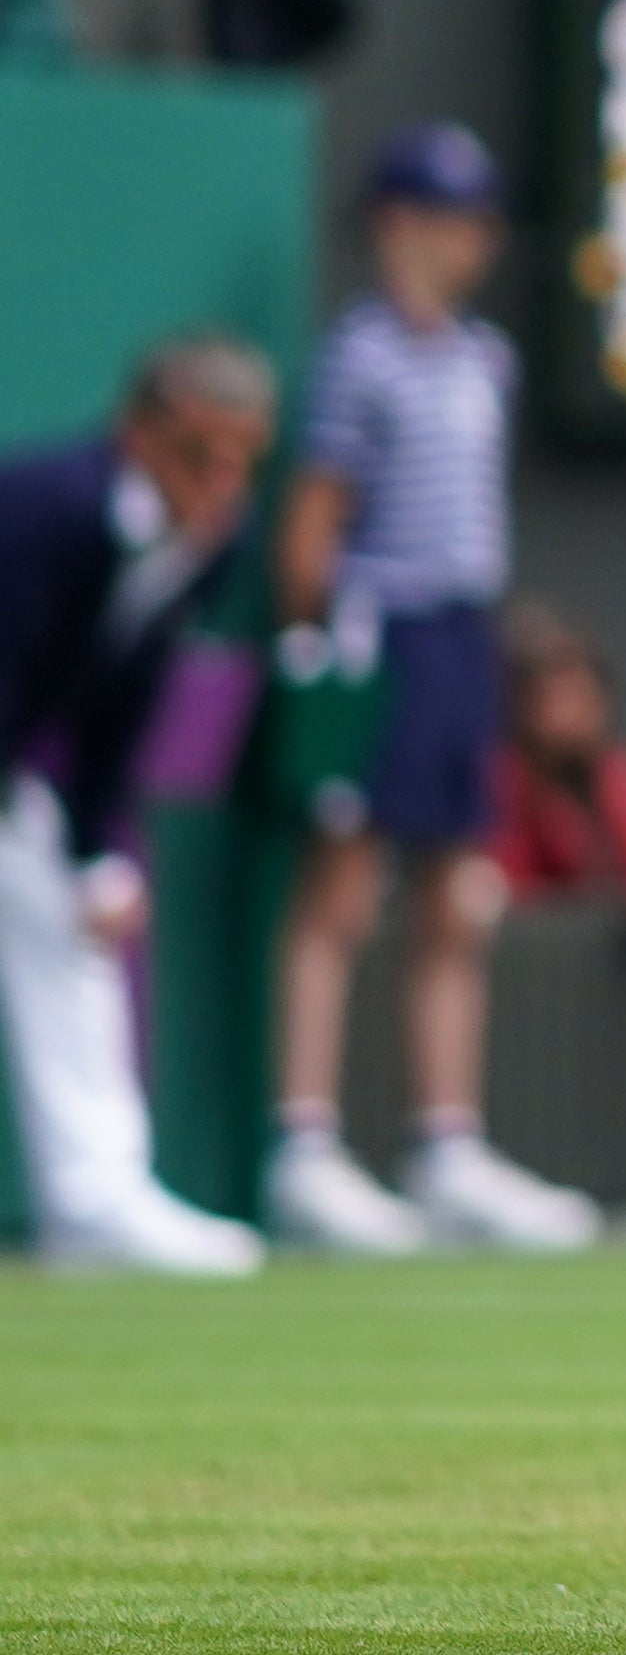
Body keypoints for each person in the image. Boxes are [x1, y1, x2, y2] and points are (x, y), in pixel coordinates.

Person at [267, 123, 598, 1258]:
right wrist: (322, 664)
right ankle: (304, 1149)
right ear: (400, 224)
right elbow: (309, 536)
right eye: (461, 218)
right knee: (343, 899)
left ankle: (446, 1146)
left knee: (459, 898)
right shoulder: (357, 358)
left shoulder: (486, 360)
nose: (483, 241)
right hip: (378, 636)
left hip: (463, 638)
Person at [0, 338, 277, 1276]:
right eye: (204, 453)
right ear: (142, 434)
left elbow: (125, 702)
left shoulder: (217, 540)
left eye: (246, 460)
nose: (224, 482)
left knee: (78, 929)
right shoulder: (52, 509)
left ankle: (97, 1202)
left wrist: (92, 852)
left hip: (27, 769)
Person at [485, 601, 626, 912]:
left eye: (581, 698)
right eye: (553, 698)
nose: (569, 716)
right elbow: (513, 889)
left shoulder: (622, 776)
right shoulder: (502, 778)